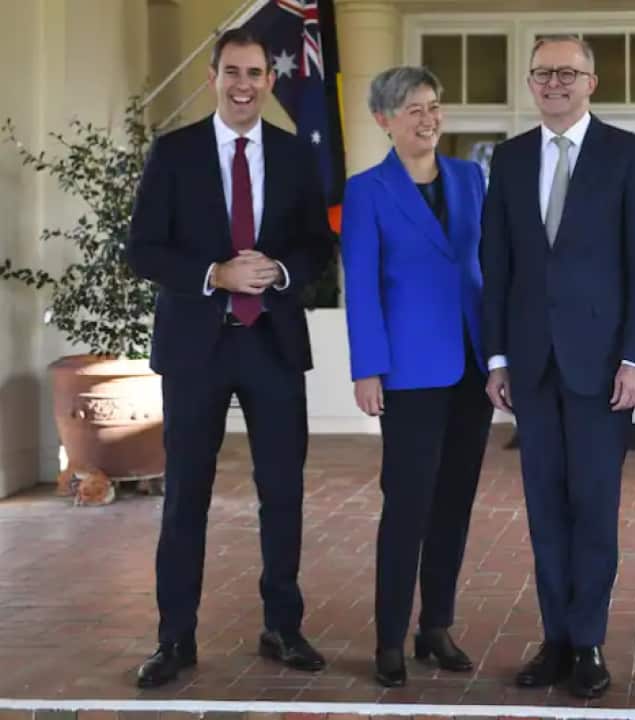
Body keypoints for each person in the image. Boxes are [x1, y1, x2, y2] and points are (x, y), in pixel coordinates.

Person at [127, 27, 332, 688]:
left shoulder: (296, 155)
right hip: (197, 348)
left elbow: (317, 248)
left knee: (283, 494)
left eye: (255, 73)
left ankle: (283, 627)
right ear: (213, 76)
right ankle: (174, 638)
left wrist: (277, 272)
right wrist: (214, 272)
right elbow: (142, 250)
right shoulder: (175, 152)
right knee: (186, 495)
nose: (244, 85)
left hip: (272, 344)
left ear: (270, 80)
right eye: (232, 72)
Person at [480, 34, 635, 699]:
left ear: (592, 81)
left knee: (593, 506)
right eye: (543, 73)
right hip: (529, 365)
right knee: (544, 510)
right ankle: (555, 638)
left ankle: (588, 643)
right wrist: (496, 355)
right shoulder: (507, 158)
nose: (555, 82)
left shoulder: (629, 157)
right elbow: (495, 267)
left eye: (568, 72)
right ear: (531, 83)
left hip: (602, 367)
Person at [340, 66, 493, 688]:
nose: (428, 118)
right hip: (407, 371)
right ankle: (389, 639)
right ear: (384, 120)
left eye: (433, 106)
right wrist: (367, 368)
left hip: (472, 366)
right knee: (407, 506)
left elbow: (489, 265)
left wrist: (501, 357)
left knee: (454, 503)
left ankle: (436, 627)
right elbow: (363, 286)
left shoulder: (469, 177)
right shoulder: (367, 190)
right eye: (412, 109)